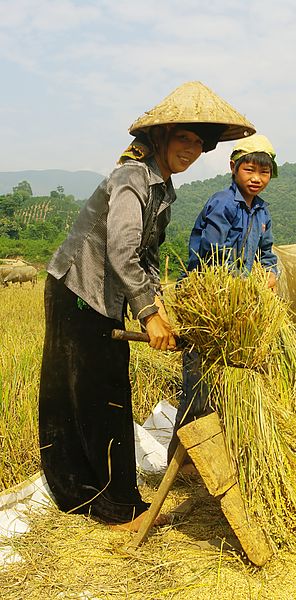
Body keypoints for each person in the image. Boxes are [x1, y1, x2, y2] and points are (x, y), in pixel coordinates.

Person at [38, 81, 256, 532]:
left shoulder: (163, 188)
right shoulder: (132, 178)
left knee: (98, 391)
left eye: (199, 143)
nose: (192, 149)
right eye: (184, 139)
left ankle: (87, 491)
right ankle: (109, 504)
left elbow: (148, 256)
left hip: (102, 294)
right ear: (161, 138)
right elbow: (120, 250)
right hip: (77, 289)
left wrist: (160, 303)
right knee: (95, 396)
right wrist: (148, 313)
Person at [167, 133, 279, 466]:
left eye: (265, 172)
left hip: (237, 306)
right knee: (198, 388)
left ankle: (223, 457)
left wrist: (271, 274)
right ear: (234, 168)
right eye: (249, 169)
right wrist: (241, 288)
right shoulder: (222, 204)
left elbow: (267, 253)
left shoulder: (261, 213)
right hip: (207, 305)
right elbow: (214, 257)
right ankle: (181, 462)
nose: (256, 178)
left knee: (233, 384)